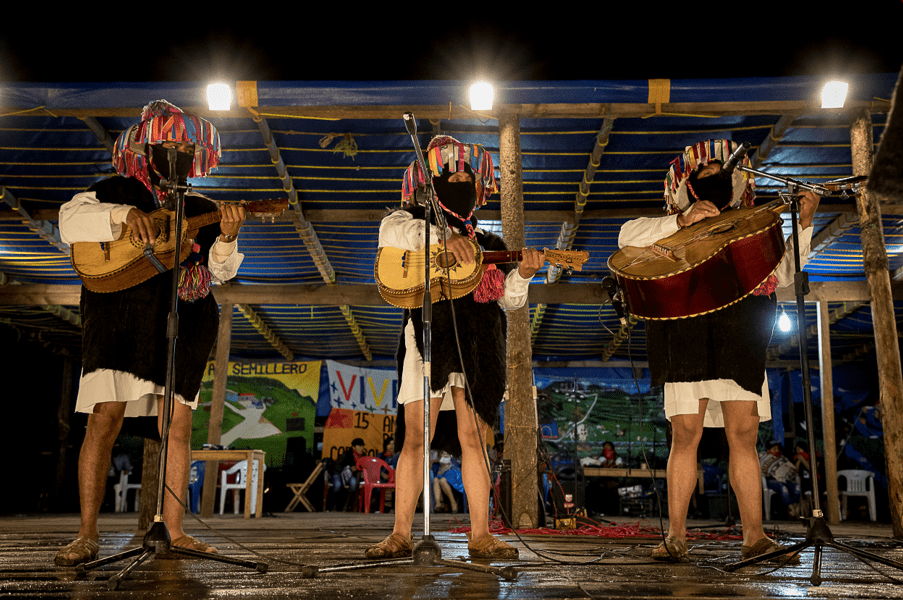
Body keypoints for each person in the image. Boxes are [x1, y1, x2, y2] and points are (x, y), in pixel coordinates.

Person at [55, 100, 245, 567]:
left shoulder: (202, 207)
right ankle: (86, 534)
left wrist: (226, 238)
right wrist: (122, 216)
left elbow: (218, 274)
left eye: (186, 145)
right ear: (147, 147)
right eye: (170, 144)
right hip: (119, 321)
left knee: (177, 426)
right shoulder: (112, 191)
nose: (179, 151)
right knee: (104, 419)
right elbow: (67, 222)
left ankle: (174, 530)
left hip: (181, 322)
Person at [617, 139, 819, 563]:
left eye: (719, 172)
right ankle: (675, 536)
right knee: (685, 434)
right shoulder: (673, 222)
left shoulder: (752, 223)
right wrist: (683, 220)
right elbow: (626, 235)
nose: (712, 177)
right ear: (688, 187)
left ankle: (754, 536)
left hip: (740, 334)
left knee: (743, 436)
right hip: (684, 334)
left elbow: (783, 276)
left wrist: (804, 221)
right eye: (703, 174)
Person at [365, 135, 544, 560]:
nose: (462, 180)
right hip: (427, 338)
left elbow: (510, 301)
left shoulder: (490, 243)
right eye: (453, 175)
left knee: (476, 438)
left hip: (478, 345)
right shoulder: (411, 220)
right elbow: (389, 231)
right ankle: (400, 534)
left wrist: (523, 274)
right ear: (433, 183)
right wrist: (441, 240)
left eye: (468, 176)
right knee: (415, 437)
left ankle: (481, 535)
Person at [759, 440, 802, 519]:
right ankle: (793, 510)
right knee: (783, 488)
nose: (776, 450)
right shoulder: (764, 457)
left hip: (785, 479)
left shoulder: (782, 458)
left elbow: (792, 469)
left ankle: (794, 509)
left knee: (797, 487)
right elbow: (763, 470)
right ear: (768, 450)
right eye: (774, 449)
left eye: (777, 449)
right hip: (771, 480)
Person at [329, 438, 366, 510]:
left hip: (351, 475)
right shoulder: (346, 454)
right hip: (338, 473)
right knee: (337, 485)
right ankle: (334, 506)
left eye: (362, 446)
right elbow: (337, 466)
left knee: (353, 483)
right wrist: (347, 469)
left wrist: (355, 469)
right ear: (353, 447)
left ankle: (346, 506)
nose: (361, 448)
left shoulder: (363, 456)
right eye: (359, 446)